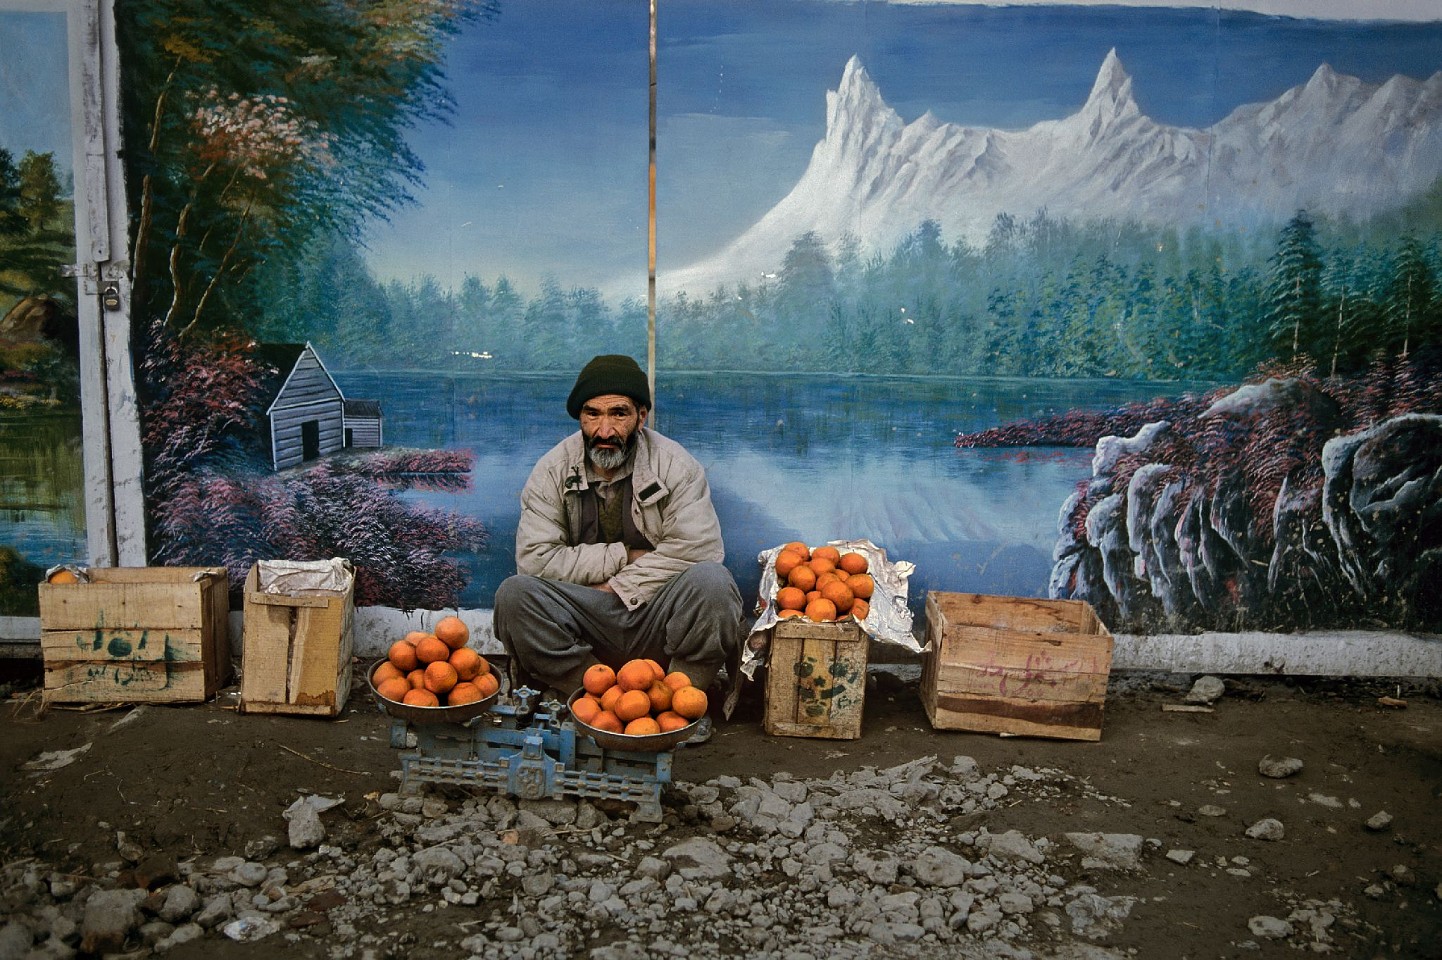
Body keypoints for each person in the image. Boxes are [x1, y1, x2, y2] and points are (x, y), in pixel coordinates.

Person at [493, 354, 744, 705]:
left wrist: (618, 586)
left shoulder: (676, 465)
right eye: (592, 414)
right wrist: (623, 556)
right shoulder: (551, 469)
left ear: (641, 417)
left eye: (619, 414)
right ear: (580, 417)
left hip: (655, 609)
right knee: (514, 595)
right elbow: (536, 561)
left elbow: (700, 551)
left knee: (713, 583)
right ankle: (593, 699)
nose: (604, 431)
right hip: (587, 613)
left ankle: (680, 701)